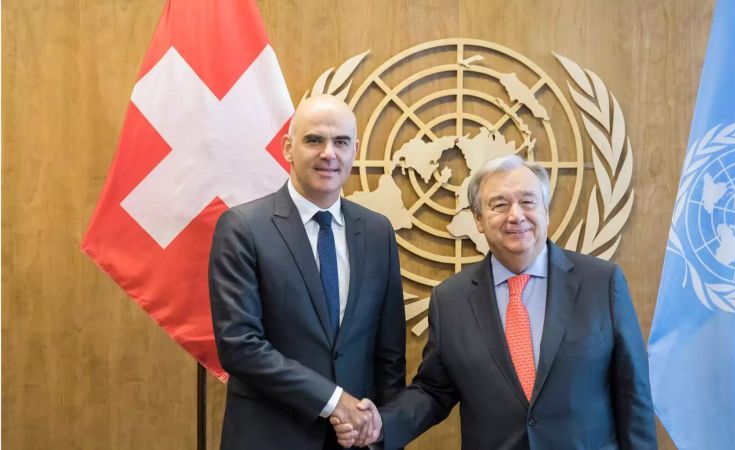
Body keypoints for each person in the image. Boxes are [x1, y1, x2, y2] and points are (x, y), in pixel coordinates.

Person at [334, 155, 656, 449]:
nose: (516, 216)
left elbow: (633, 395)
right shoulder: (451, 301)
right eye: (499, 205)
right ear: (478, 219)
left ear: (545, 210)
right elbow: (434, 391)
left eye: (528, 202)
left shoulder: (602, 282)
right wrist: (380, 424)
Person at [209, 94, 405, 450]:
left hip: (356, 443)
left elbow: (389, 354)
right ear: (288, 147)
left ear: (355, 150)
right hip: (271, 438)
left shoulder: (378, 231)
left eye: (341, 142)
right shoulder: (243, 228)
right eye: (314, 140)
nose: (329, 153)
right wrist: (334, 401)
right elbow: (240, 346)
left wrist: (381, 432)